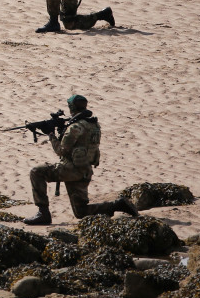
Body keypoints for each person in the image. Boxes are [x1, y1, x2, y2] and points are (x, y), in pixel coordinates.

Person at [23, 94, 139, 225]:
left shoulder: (75, 127)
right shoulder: (94, 125)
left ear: (71, 108)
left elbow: (61, 150)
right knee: (81, 212)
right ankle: (117, 205)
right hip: (85, 171)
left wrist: (51, 135)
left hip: (71, 170)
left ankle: (43, 213)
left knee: (36, 172)